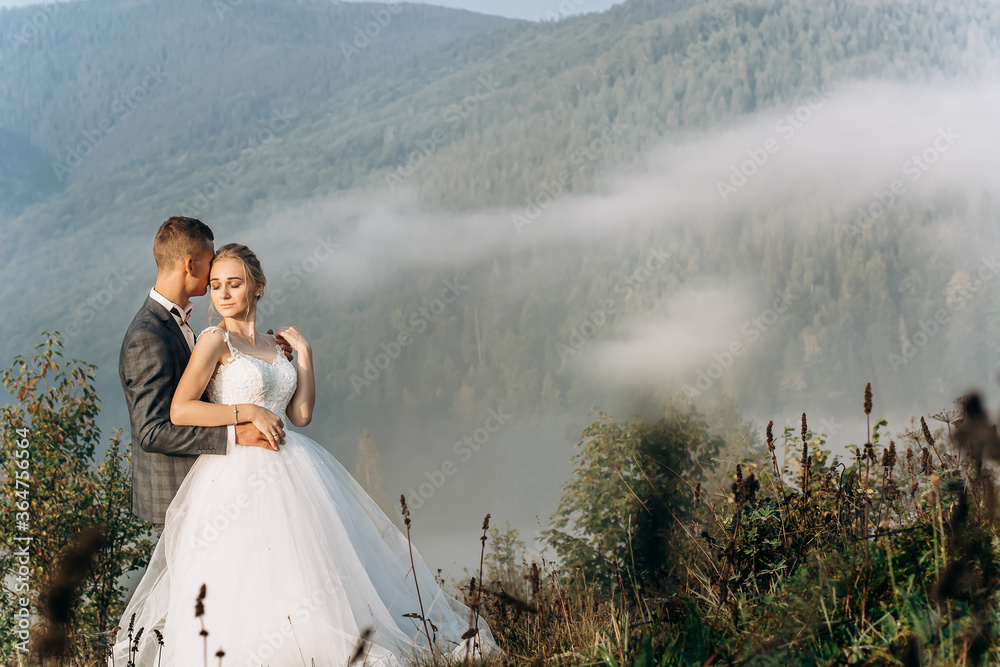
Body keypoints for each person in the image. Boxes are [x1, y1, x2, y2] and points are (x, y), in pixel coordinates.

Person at [109, 243, 499, 666]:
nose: (222, 294)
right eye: (216, 285)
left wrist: (306, 357)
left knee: (306, 571)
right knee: (244, 572)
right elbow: (181, 408)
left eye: (234, 284)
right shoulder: (213, 341)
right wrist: (247, 411)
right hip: (234, 471)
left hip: (293, 466)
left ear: (258, 287)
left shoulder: (273, 345)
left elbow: (301, 414)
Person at [119, 217, 291, 536]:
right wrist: (235, 434)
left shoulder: (179, 324)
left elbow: (213, 375)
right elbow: (152, 432)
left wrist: (261, 357)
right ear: (191, 264)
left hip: (214, 488)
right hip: (175, 499)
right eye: (211, 261)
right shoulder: (148, 335)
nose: (216, 271)